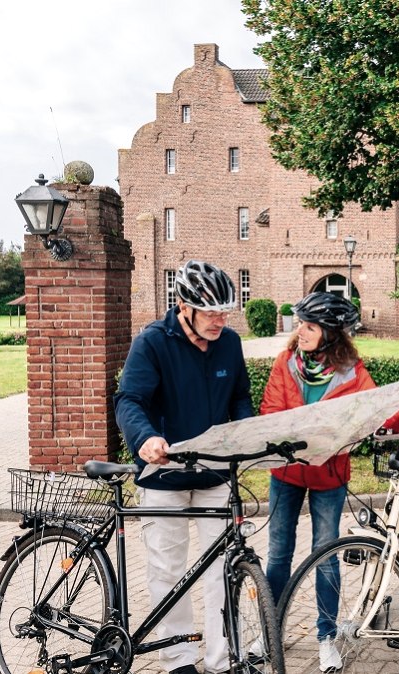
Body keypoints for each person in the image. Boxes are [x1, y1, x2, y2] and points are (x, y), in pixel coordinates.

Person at [261, 291, 399, 672]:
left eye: (310, 325)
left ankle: (326, 637)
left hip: (329, 477)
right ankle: (270, 632)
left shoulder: (353, 373)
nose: (300, 330)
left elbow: (377, 417)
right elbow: (269, 411)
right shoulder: (285, 363)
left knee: (326, 555)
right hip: (286, 472)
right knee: (278, 554)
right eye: (301, 323)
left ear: (332, 334)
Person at [114, 260, 253, 674]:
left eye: (225, 312)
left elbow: (240, 397)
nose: (220, 320)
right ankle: (178, 661)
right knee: (169, 570)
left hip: (214, 474)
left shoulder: (229, 343)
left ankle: (220, 660)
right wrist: (146, 439)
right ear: (183, 306)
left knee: (222, 570)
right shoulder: (152, 343)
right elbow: (129, 400)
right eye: (211, 312)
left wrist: (245, 433)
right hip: (165, 474)